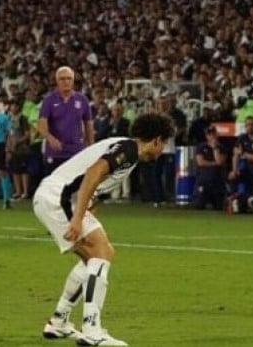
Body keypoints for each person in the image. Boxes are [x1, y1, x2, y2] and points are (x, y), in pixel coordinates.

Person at [32, 113, 175, 346]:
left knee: (97, 257)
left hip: (52, 197)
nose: (163, 149)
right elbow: (94, 172)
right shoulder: (129, 149)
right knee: (102, 252)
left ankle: (59, 321)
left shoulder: (124, 149)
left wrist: (86, 208)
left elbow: (93, 181)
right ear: (157, 140)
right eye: (165, 143)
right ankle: (91, 329)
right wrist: (78, 218)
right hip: (59, 198)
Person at [38, 66, 94, 175]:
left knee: (76, 186)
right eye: (62, 79)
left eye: (69, 78)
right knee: (54, 187)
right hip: (55, 153)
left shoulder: (82, 99)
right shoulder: (49, 100)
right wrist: (50, 138)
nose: (66, 82)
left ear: (73, 81)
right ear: (57, 81)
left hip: (77, 152)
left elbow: (89, 124)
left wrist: (91, 146)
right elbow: (41, 124)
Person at [194, 125, 227, 210]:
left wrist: (215, 148)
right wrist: (214, 163)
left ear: (217, 134)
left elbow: (219, 161)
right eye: (209, 135)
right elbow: (200, 162)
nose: (212, 136)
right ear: (206, 136)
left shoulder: (221, 147)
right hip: (204, 180)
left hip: (217, 182)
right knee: (199, 205)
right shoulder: (201, 147)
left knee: (218, 207)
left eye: (213, 134)